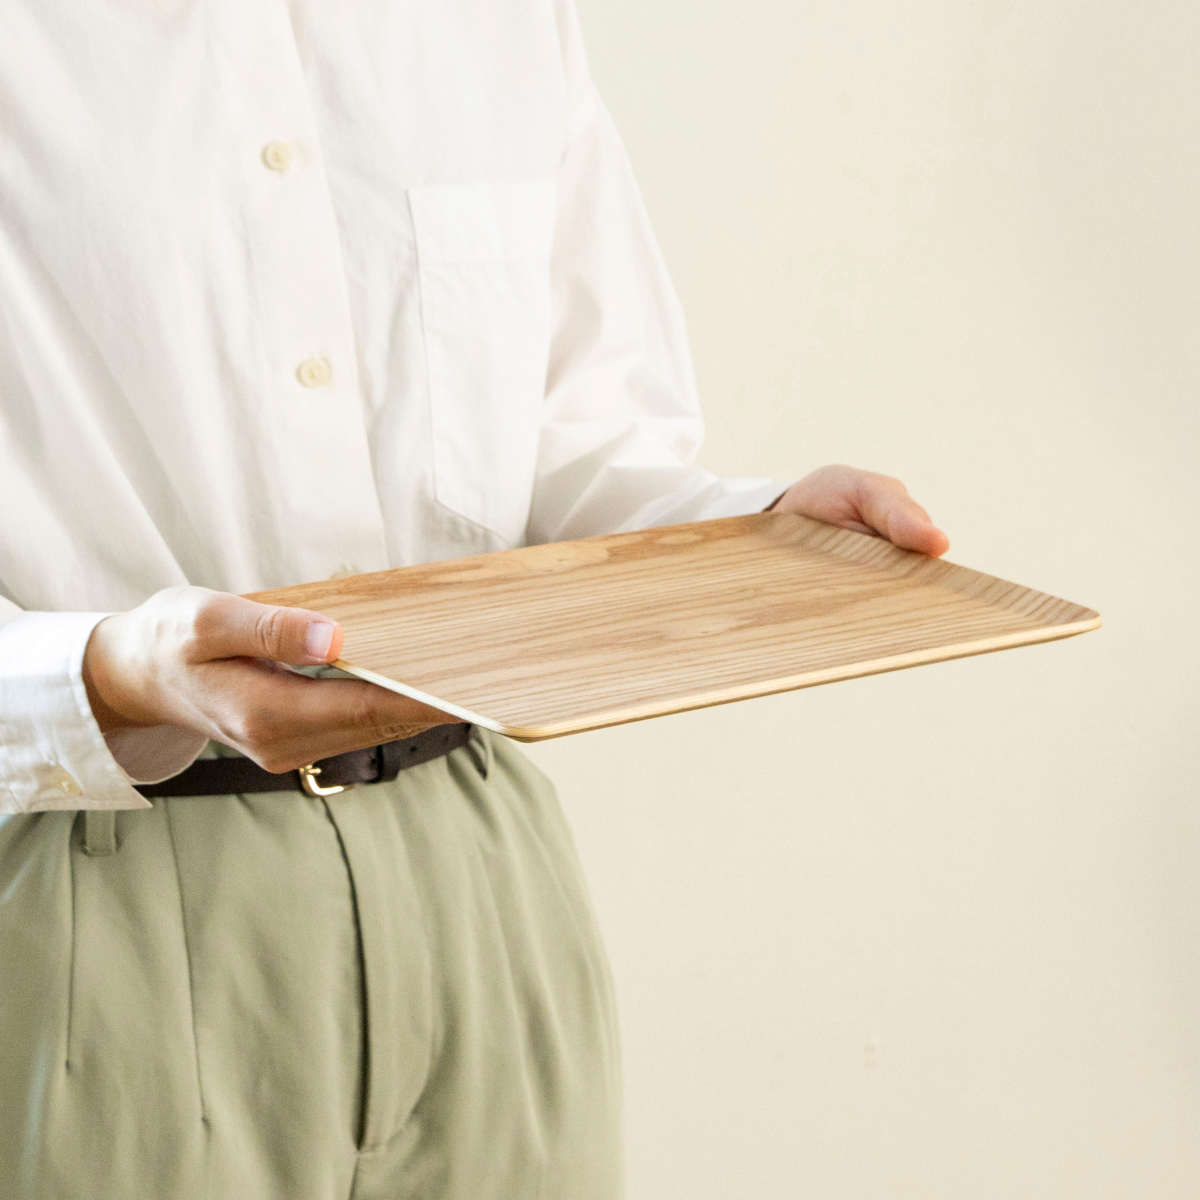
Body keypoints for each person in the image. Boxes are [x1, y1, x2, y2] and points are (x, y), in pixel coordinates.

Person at [0, 2, 950, 1198]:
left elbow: (574, 451)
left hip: (481, 860)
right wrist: (107, 676)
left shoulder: (501, 22)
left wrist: (757, 535)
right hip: (93, 871)